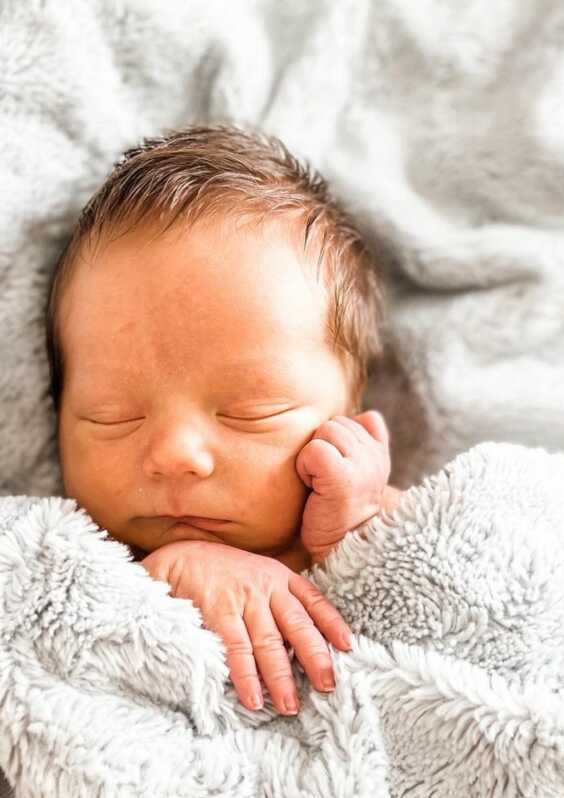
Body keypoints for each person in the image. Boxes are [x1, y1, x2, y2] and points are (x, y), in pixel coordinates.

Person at [46, 122, 403, 718]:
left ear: (353, 419)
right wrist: (158, 581)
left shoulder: (385, 525)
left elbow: (484, 614)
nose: (175, 453)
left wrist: (364, 531)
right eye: (112, 416)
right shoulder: (67, 567)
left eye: (249, 410)